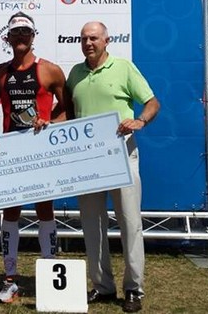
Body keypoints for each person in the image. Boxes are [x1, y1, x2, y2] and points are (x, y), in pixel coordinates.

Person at [61, 21, 160, 313]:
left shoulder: (124, 67)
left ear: (107, 40)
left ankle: (133, 289)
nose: (88, 42)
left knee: (130, 223)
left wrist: (140, 120)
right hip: (88, 160)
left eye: (93, 38)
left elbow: (153, 102)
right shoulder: (75, 73)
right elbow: (67, 114)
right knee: (92, 225)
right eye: (83, 38)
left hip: (121, 154)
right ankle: (102, 286)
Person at [0, 12, 66, 303]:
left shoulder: (49, 70)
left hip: (40, 151)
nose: (21, 37)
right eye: (15, 33)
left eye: (25, 32)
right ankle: (10, 279)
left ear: (33, 36)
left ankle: (50, 270)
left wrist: (50, 121)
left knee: (45, 210)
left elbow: (67, 106)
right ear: (7, 38)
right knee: (10, 213)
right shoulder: (0, 72)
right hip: (12, 150)